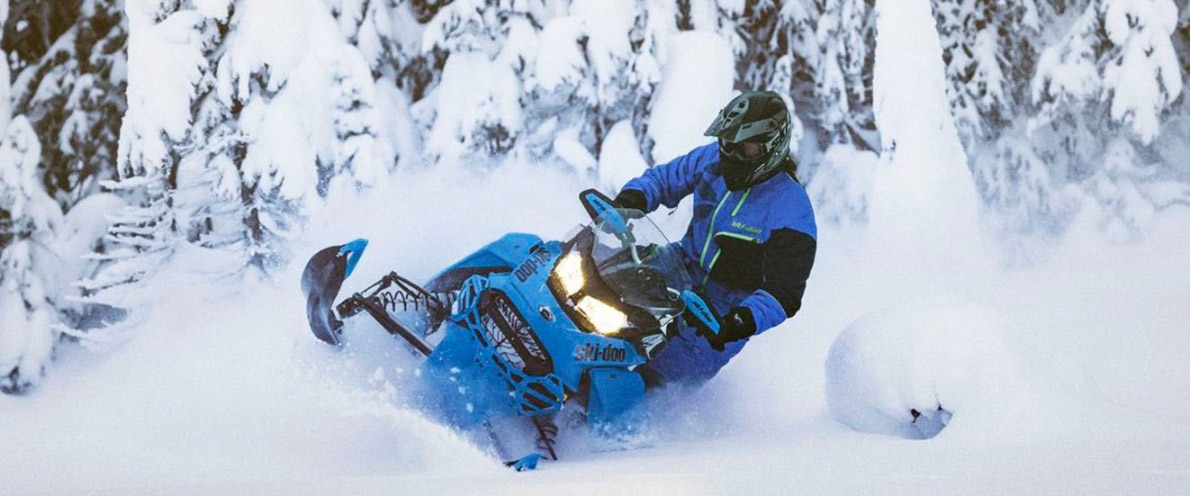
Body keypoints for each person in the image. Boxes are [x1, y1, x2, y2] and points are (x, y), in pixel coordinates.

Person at [612, 90, 817, 387]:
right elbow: (665, 179)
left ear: (771, 147)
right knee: (603, 280)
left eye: (745, 147)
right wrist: (632, 200)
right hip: (681, 265)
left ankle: (618, 426)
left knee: (658, 376)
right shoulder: (713, 160)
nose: (731, 154)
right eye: (727, 142)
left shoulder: (792, 211)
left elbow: (783, 292)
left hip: (722, 310)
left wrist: (739, 321)